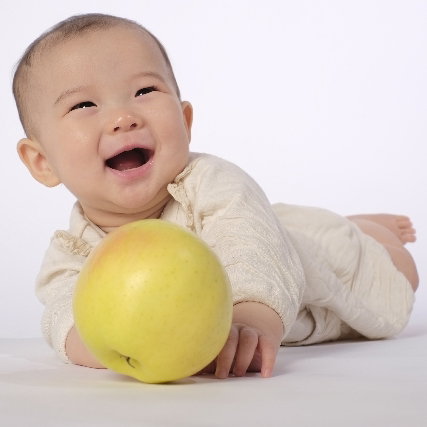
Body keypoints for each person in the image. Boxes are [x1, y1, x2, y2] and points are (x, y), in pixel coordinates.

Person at [13, 13, 419, 380]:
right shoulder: (72, 251)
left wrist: (249, 318)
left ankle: (361, 230)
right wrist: (110, 346)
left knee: (399, 268)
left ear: (185, 121)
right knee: (291, 226)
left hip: (310, 274)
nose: (123, 117)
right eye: (84, 104)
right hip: (277, 230)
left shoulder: (211, 182)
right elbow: (63, 311)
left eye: (144, 91)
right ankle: (351, 222)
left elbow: (251, 245)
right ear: (42, 161)